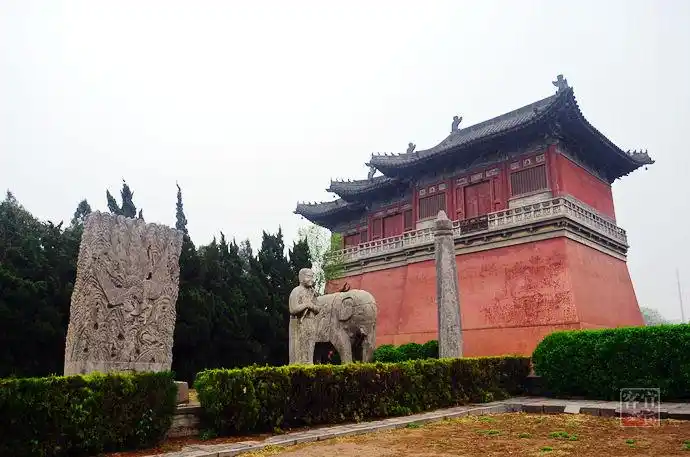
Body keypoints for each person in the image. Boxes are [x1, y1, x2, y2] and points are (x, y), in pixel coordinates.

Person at [288, 268, 321, 364]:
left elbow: (318, 309)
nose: (311, 279)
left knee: (310, 347)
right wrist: (306, 305)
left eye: (312, 277)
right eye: (308, 276)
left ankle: (309, 364)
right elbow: (293, 309)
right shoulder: (296, 291)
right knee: (299, 349)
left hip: (311, 323)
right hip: (299, 323)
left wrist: (311, 306)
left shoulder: (312, 292)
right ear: (301, 277)